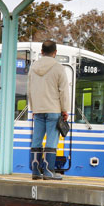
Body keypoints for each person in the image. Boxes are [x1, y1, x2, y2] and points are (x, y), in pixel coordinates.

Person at [27, 41, 69, 180]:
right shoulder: (58, 68)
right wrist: (64, 110)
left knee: (36, 140)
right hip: (53, 109)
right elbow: (63, 91)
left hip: (38, 110)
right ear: (55, 52)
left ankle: (35, 171)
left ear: (41, 51)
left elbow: (29, 90)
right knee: (51, 140)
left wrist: (33, 107)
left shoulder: (33, 67)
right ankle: (49, 171)